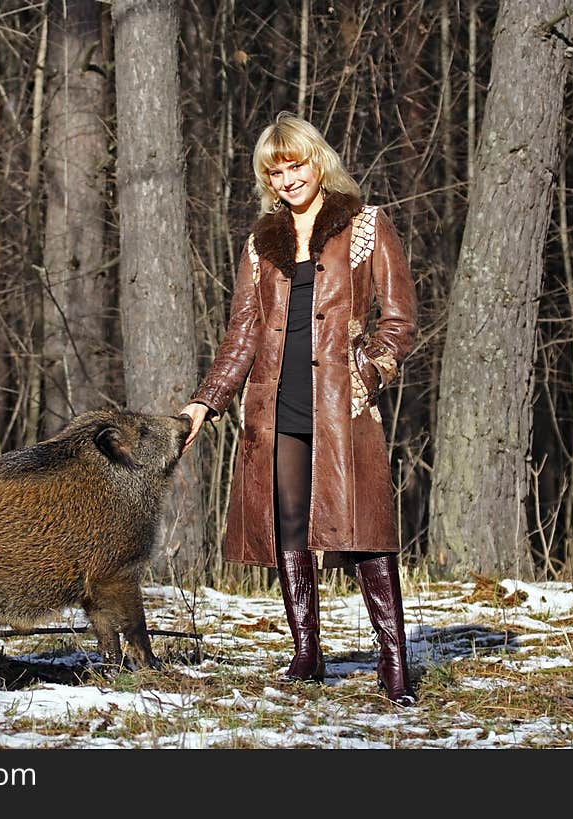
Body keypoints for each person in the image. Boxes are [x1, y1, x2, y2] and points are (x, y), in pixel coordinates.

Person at [181, 112, 418, 705]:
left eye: (296, 165)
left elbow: (400, 322)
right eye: (275, 170)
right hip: (276, 405)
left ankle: (395, 667)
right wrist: (204, 404)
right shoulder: (262, 243)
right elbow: (241, 336)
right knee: (289, 527)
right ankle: (306, 653)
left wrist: (367, 372)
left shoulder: (366, 225)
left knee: (366, 531)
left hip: (343, 407)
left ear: (319, 162)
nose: (288, 179)